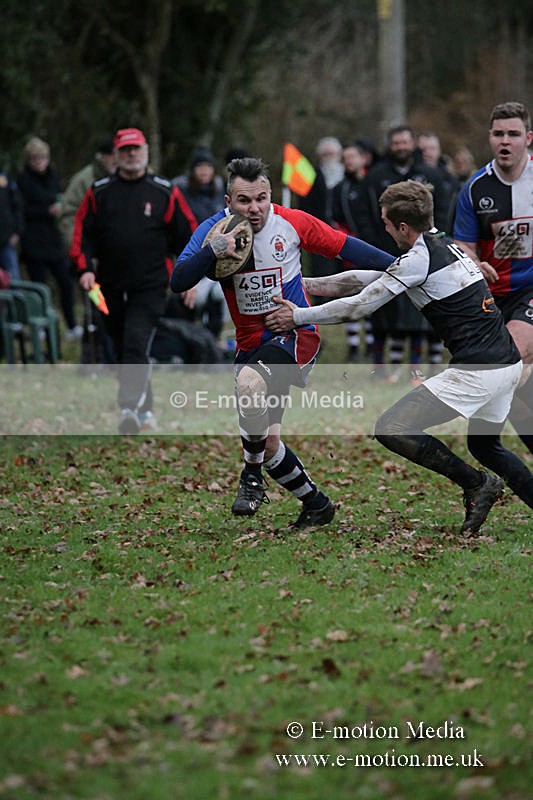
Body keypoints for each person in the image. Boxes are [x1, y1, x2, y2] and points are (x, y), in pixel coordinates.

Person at [266, 180, 533, 533]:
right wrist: (306, 284)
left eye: (388, 224)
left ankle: (476, 484)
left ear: (403, 227)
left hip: (480, 370)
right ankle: (490, 486)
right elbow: (366, 280)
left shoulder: (419, 259)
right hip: (506, 364)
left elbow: (359, 306)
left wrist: (297, 316)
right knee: (486, 446)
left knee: (392, 428)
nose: (387, 230)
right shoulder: (443, 243)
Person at [170, 156, 393, 527]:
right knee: (268, 443)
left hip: (294, 333)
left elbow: (346, 247)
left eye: (261, 198)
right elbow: (179, 279)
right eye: (244, 201)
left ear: (270, 195)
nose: (254, 208)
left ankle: (250, 477)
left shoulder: (291, 222)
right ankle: (317, 505)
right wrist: (214, 250)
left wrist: (404, 262)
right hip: (249, 341)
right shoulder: (213, 231)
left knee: (248, 385)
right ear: (229, 202)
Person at [70, 127, 197, 433]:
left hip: (151, 285)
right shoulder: (99, 192)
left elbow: (190, 235)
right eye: (125, 151)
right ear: (116, 155)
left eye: (136, 150)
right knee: (123, 346)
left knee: (136, 343)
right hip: (106, 286)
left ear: (146, 152)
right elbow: (80, 235)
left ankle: (128, 407)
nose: (131, 156)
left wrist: (190, 277)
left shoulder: (164, 191)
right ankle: (145, 409)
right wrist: (84, 268)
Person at [454, 101, 533, 455]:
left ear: (528, 139)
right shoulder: (475, 188)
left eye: (513, 134)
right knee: (513, 386)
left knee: (509, 358)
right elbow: (463, 246)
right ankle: (489, 449)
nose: (506, 141)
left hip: (530, 292)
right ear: (489, 138)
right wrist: (475, 262)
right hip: (491, 299)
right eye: (499, 134)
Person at [355, 125, 450, 382]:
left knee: (420, 316)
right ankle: (382, 369)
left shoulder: (430, 175)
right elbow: (363, 214)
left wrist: (433, 242)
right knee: (383, 312)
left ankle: (419, 369)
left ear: (413, 144)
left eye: (405, 142)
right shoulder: (375, 177)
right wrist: (375, 243)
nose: (401, 147)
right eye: (396, 143)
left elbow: (442, 211)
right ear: (389, 146)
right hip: (385, 254)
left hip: (424, 255)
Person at [60, 137, 117, 370]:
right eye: (112, 155)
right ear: (102, 157)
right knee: (97, 308)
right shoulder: (84, 180)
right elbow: (68, 217)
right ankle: (96, 357)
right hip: (91, 264)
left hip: (120, 262)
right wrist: (82, 253)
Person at [17, 137, 81, 340]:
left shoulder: (52, 177)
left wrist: (59, 209)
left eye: (42, 158)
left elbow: (60, 199)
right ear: (29, 160)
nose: (39, 162)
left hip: (54, 241)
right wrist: (46, 211)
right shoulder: (23, 180)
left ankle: (71, 325)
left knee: (66, 283)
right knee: (39, 287)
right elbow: (21, 210)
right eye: (35, 158)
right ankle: (41, 326)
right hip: (34, 242)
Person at [171, 146, 228, 345]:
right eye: (200, 167)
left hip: (218, 259)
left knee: (217, 299)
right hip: (192, 255)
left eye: (208, 166)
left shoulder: (221, 194)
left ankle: (211, 342)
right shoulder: (181, 195)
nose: (204, 171)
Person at [332, 142, 373, 361]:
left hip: (374, 249)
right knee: (352, 296)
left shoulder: (372, 182)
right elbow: (336, 219)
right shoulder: (340, 189)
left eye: (352, 156)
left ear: (362, 158)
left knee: (373, 296)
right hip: (351, 251)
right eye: (345, 157)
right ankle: (354, 346)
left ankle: (371, 343)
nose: (348, 161)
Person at [299, 136, 345, 285]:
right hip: (320, 232)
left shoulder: (346, 175)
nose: (329, 158)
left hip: (345, 231)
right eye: (326, 155)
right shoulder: (312, 177)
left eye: (332, 154)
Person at [0, 169, 23, 279]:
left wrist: (17, 231)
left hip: (6, 240)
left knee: (14, 281)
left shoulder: (4, 178)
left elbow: (17, 206)